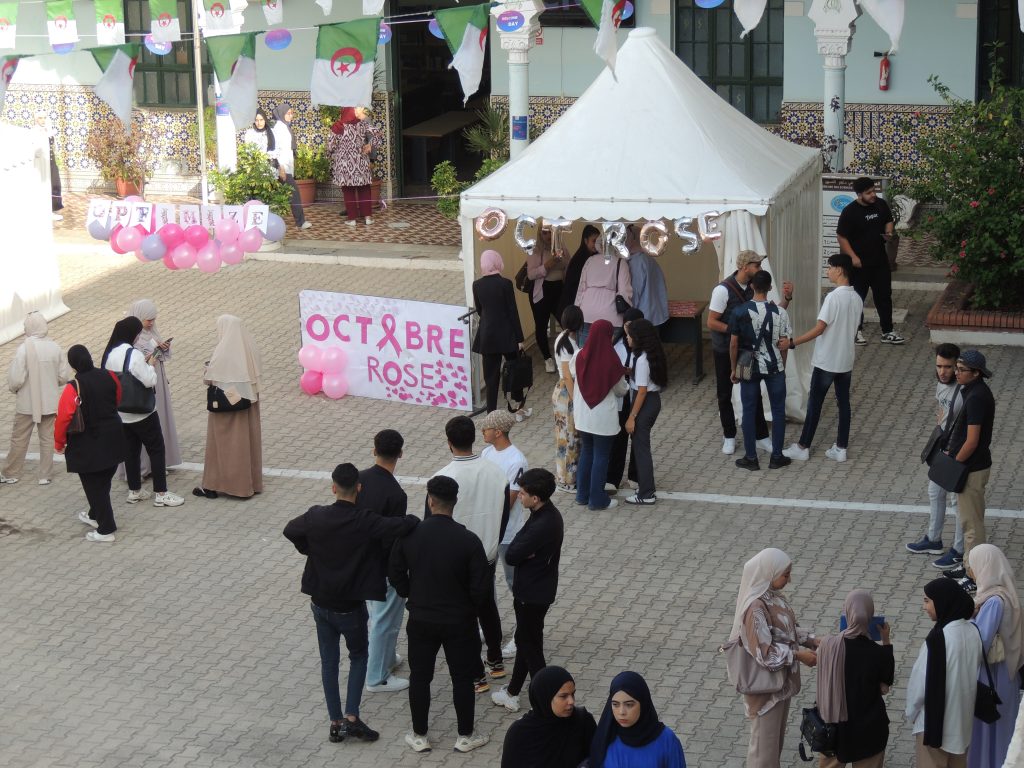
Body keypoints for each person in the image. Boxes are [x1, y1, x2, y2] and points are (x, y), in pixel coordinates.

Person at [283, 462, 419, 745]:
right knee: (358, 655)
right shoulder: (364, 520)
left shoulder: (316, 515)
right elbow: (398, 525)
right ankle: (352, 718)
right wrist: (416, 520)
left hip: (320, 603)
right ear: (358, 488)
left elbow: (290, 530)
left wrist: (311, 549)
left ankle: (335, 722)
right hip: (349, 606)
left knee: (328, 662)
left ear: (333, 487)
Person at [389, 475, 491, 754]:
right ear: (455, 502)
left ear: (430, 500)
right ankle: (465, 736)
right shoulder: (469, 540)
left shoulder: (410, 535)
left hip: (421, 619)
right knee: (461, 678)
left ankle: (419, 735)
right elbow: (482, 587)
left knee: (420, 677)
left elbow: (395, 571)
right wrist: (468, 607)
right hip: (459, 621)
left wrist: (410, 592)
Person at [428, 415, 510, 692]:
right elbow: (505, 515)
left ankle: (476, 675)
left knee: (464, 616)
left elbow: (432, 524)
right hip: (487, 552)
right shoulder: (497, 473)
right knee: (488, 608)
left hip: (454, 558)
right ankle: (496, 661)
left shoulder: (441, 478)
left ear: (449, 443)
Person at [730, 548, 819, 768]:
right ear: (770, 572)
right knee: (763, 755)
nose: (789, 579)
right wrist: (799, 655)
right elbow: (765, 654)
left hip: (779, 687)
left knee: (772, 749)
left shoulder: (772, 597)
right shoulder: (755, 608)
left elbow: (784, 631)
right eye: (785, 574)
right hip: (765, 694)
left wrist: (813, 640)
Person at [492, 469, 564, 713]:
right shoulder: (547, 514)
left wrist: (523, 552)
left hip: (531, 594)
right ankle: (512, 691)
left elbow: (512, 554)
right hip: (540, 589)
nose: (519, 497)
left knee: (531, 648)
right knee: (527, 640)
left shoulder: (541, 524)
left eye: (523, 493)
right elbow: (518, 549)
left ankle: (548, 699)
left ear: (535, 498)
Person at [708, 250, 791, 456]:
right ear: (745, 267)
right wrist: (735, 330)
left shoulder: (756, 287)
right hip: (725, 349)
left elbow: (770, 314)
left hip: (747, 353)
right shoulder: (722, 290)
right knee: (725, 393)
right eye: (757, 265)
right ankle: (729, 435)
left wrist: (787, 300)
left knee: (751, 394)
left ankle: (761, 436)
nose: (760, 269)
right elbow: (711, 322)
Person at [784, 253, 864, 463]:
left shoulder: (833, 297)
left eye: (829, 268)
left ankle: (803, 446)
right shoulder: (856, 298)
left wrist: (793, 342)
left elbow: (820, 328)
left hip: (827, 360)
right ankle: (841, 447)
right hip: (845, 360)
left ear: (839, 270)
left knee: (815, 404)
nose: (827, 271)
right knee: (843, 403)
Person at [101, 317, 184, 508]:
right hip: (142, 412)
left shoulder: (111, 354)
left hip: (122, 413)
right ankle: (161, 493)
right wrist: (151, 363)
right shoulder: (135, 354)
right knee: (156, 448)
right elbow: (149, 380)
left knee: (131, 451)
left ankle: (134, 490)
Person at [906, 578, 983, 767]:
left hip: (935, 726)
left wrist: (912, 714)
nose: (924, 607)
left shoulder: (938, 640)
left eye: (927, 601)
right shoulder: (973, 631)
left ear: (942, 602)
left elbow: (919, 685)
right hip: (963, 725)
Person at [53, 345, 126, 542]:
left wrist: (59, 443)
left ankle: (106, 528)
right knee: (103, 481)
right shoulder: (109, 375)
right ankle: (95, 515)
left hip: (88, 443)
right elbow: (118, 398)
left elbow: (63, 419)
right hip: (114, 437)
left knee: (94, 486)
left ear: (73, 364)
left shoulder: (73, 386)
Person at [815, 589, 895, 767]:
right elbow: (885, 687)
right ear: (870, 615)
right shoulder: (877, 653)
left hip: (834, 726)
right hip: (869, 728)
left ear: (847, 613)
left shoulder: (829, 645)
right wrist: (886, 641)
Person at [359, 429, 410, 694]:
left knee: (379, 618)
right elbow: (393, 537)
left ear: (373, 449)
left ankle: (387, 659)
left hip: (360, 561)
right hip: (382, 566)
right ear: (400, 454)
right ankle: (377, 677)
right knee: (384, 620)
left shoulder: (358, 479)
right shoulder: (396, 494)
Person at [194, 315, 263, 499]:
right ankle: (250, 484)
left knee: (222, 447)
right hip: (247, 402)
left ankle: (214, 485)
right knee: (246, 444)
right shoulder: (249, 345)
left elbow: (211, 378)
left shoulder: (223, 352)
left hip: (227, 404)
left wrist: (208, 368)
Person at [967, 544, 1024, 768]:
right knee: (1002, 734)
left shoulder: (993, 601)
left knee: (987, 733)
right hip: (1006, 678)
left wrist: (968, 620)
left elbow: (980, 640)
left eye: (972, 566)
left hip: (992, 678)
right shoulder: (1007, 594)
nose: (971, 571)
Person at [907, 343, 964, 565]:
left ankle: (959, 549)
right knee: (935, 492)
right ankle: (934, 539)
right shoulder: (941, 385)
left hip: (958, 452)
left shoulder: (963, 392)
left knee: (957, 502)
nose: (942, 371)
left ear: (957, 366)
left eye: (948, 367)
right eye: (939, 366)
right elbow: (942, 410)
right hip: (943, 449)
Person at [729, 270, 792, 471]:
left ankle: (751, 458)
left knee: (748, 411)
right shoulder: (781, 313)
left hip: (748, 366)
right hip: (774, 366)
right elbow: (784, 344)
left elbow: (733, 344)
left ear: (752, 287)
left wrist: (733, 369)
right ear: (770, 288)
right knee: (778, 410)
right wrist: (782, 366)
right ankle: (776, 456)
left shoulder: (739, 311)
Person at [2, 312, 71, 485]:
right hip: (49, 402)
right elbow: (63, 377)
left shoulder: (24, 349)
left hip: (27, 403)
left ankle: (12, 472)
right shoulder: (55, 347)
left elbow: (16, 378)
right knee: (47, 438)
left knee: (19, 438)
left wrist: (14, 389)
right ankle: (44, 475)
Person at [116, 299, 181, 479]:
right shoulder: (132, 336)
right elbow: (132, 363)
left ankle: (158, 463)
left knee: (159, 419)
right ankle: (143, 467)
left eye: (153, 319)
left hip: (156, 379)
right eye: (148, 319)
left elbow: (159, 357)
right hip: (142, 384)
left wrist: (162, 348)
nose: (151, 323)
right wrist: (151, 354)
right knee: (144, 423)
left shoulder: (151, 332)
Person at [942, 350, 996, 564]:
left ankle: (974, 574)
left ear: (976, 373)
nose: (956, 373)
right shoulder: (973, 391)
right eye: (957, 368)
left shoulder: (976, 397)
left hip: (971, 468)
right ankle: (968, 565)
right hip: (973, 466)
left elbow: (972, 440)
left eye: (962, 370)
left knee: (971, 525)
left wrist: (954, 465)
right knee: (971, 522)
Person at [836, 176, 904, 346]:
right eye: (869, 192)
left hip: (880, 261)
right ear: (859, 195)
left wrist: (888, 233)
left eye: (874, 190)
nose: (873, 194)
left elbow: (888, 220)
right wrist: (853, 257)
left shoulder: (880, 204)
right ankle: (856, 331)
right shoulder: (850, 212)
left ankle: (887, 331)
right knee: (857, 298)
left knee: (884, 296)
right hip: (859, 264)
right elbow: (841, 236)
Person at [570, 319, 628, 511]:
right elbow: (621, 390)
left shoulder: (579, 355)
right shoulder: (612, 360)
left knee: (587, 452)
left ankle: (582, 495)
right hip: (603, 417)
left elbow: (572, 373)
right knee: (602, 456)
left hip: (582, 415)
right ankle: (597, 499)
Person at [500, 665, 597, 768]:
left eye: (572, 694)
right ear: (545, 697)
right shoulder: (520, 733)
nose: (571, 701)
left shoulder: (583, 721)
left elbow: (599, 756)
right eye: (563, 696)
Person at [589, 671, 687, 767]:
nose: (621, 712)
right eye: (615, 704)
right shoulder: (605, 739)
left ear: (643, 704)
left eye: (629, 705)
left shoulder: (666, 740)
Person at [481, 409, 528, 597]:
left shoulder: (517, 460)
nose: (483, 431)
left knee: (513, 578)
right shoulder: (486, 453)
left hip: (507, 532)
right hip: (486, 529)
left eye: (486, 428)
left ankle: (524, 617)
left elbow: (510, 498)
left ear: (498, 432)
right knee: (485, 578)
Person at [472, 249, 524, 413]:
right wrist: (519, 337)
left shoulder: (477, 285)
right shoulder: (506, 284)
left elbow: (480, 310)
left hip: (487, 335)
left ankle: (491, 411)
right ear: (497, 262)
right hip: (507, 335)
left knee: (491, 376)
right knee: (514, 369)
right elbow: (512, 311)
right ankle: (517, 404)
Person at [622, 318, 668, 504]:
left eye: (629, 336)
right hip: (652, 401)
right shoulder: (651, 354)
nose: (627, 339)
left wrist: (632, 417)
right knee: (641, 447)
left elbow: (641, 391)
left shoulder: (642, 360)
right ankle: (645, 489)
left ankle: (646, 493)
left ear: (638, 338)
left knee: (641, 449)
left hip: (645, 403)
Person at [607, 307, 644, 494]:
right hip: (621, 397)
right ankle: (613, 478)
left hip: (638, 395)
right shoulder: (616, 344)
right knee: (618, 437)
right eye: (627, 326)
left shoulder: (646, 346)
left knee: (638, 436)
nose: (629, 330)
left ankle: (635, 476)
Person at [526, 226, 566, 374]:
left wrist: (559, 260)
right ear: (539, 233)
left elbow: (567, 264)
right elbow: (531, 274)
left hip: (558, 290)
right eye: (544, 232)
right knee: (541, 325)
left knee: (565, 321)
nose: (548, 236)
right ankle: (547, 358)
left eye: (550, 232)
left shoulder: (560, 246)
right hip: (541, 291)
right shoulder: (535, 249)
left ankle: (566, 354)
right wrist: (547, 266)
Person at [575, 244, 632, 348]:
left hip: (587, 314)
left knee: (584, 353)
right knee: (609, 353)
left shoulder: (590, 260)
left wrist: (577, 309)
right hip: (611, 317)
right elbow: (625, 292)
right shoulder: (620, 262)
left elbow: (581, 288)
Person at [551, 305, 582, 494]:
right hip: (566, 393)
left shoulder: (564, 338)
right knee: (569, 437)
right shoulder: (567, 344)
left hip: (562, 391)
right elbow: (567, 375)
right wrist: (575, 398)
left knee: (565, 436)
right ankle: (567, 480)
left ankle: (565, 476)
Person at [328, 106, 376, 227]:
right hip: (361, 162)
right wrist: (369, 145)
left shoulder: (337, 126)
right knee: (364, 188)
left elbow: (330, 146)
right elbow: (377, 134)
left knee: (348, 190)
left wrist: (333, 153)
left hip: (345, 165)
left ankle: (352, 219)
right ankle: (368, 217)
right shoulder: (361, 124)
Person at [269, 102, 311, 230]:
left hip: (284, 167)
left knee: (278, 195)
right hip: (282, 168)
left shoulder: (284, 127)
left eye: (292, 113)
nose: (291, 115)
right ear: (282, 114)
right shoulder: (279, 129)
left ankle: (271, 221)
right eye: (288, 113)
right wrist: (280, 167)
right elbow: (277, 150)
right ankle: (300, 222)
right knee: (294, 194)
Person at [625, 224, 669, 328]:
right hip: (656, 314)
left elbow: (634, 292)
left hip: (643, 317)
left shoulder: (636, 261)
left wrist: (628, 314)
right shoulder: (648, 259)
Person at [558, 224, 600, 320]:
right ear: (586, 241)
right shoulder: (579, 259)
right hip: (573, 306)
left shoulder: (595, 257)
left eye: (599, 241)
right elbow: (574, 286)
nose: (597, 244)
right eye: (594, 241)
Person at [34, 111, 63, 219]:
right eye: (40, 118)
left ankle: (52, 209)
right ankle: (44, 211)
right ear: (36, 119)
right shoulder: (35, 132)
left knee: (55, 183)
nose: (43, 120)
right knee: (44, 185)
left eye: (44, 118)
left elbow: (54, 146)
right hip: (42, 163)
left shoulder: (49, 130)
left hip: (51, 161)